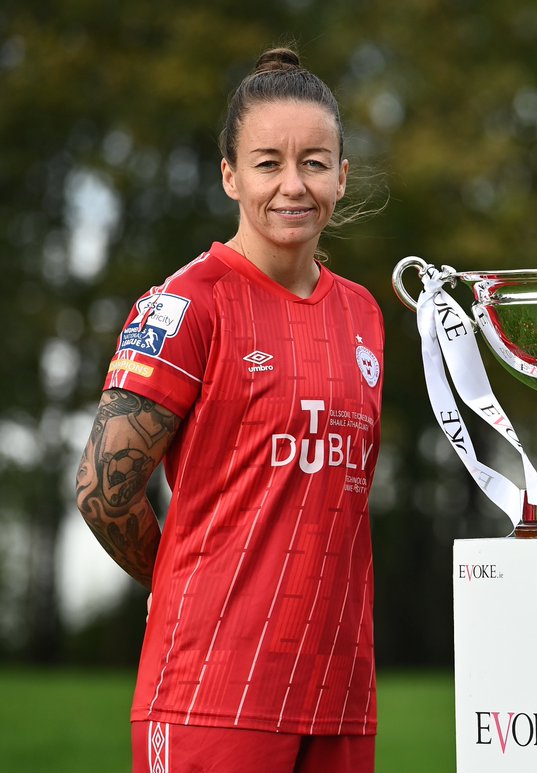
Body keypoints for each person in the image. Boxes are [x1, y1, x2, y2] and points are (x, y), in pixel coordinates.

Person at [75, 47, 384, 772]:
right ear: (230, 175)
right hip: (213, 690)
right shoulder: (188, 304)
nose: (292, 184)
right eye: (267, 161)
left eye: (314, 161)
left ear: (342, 175)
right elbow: (101, 490)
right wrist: (178, 586)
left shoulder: (364, 314)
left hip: (339, 695)